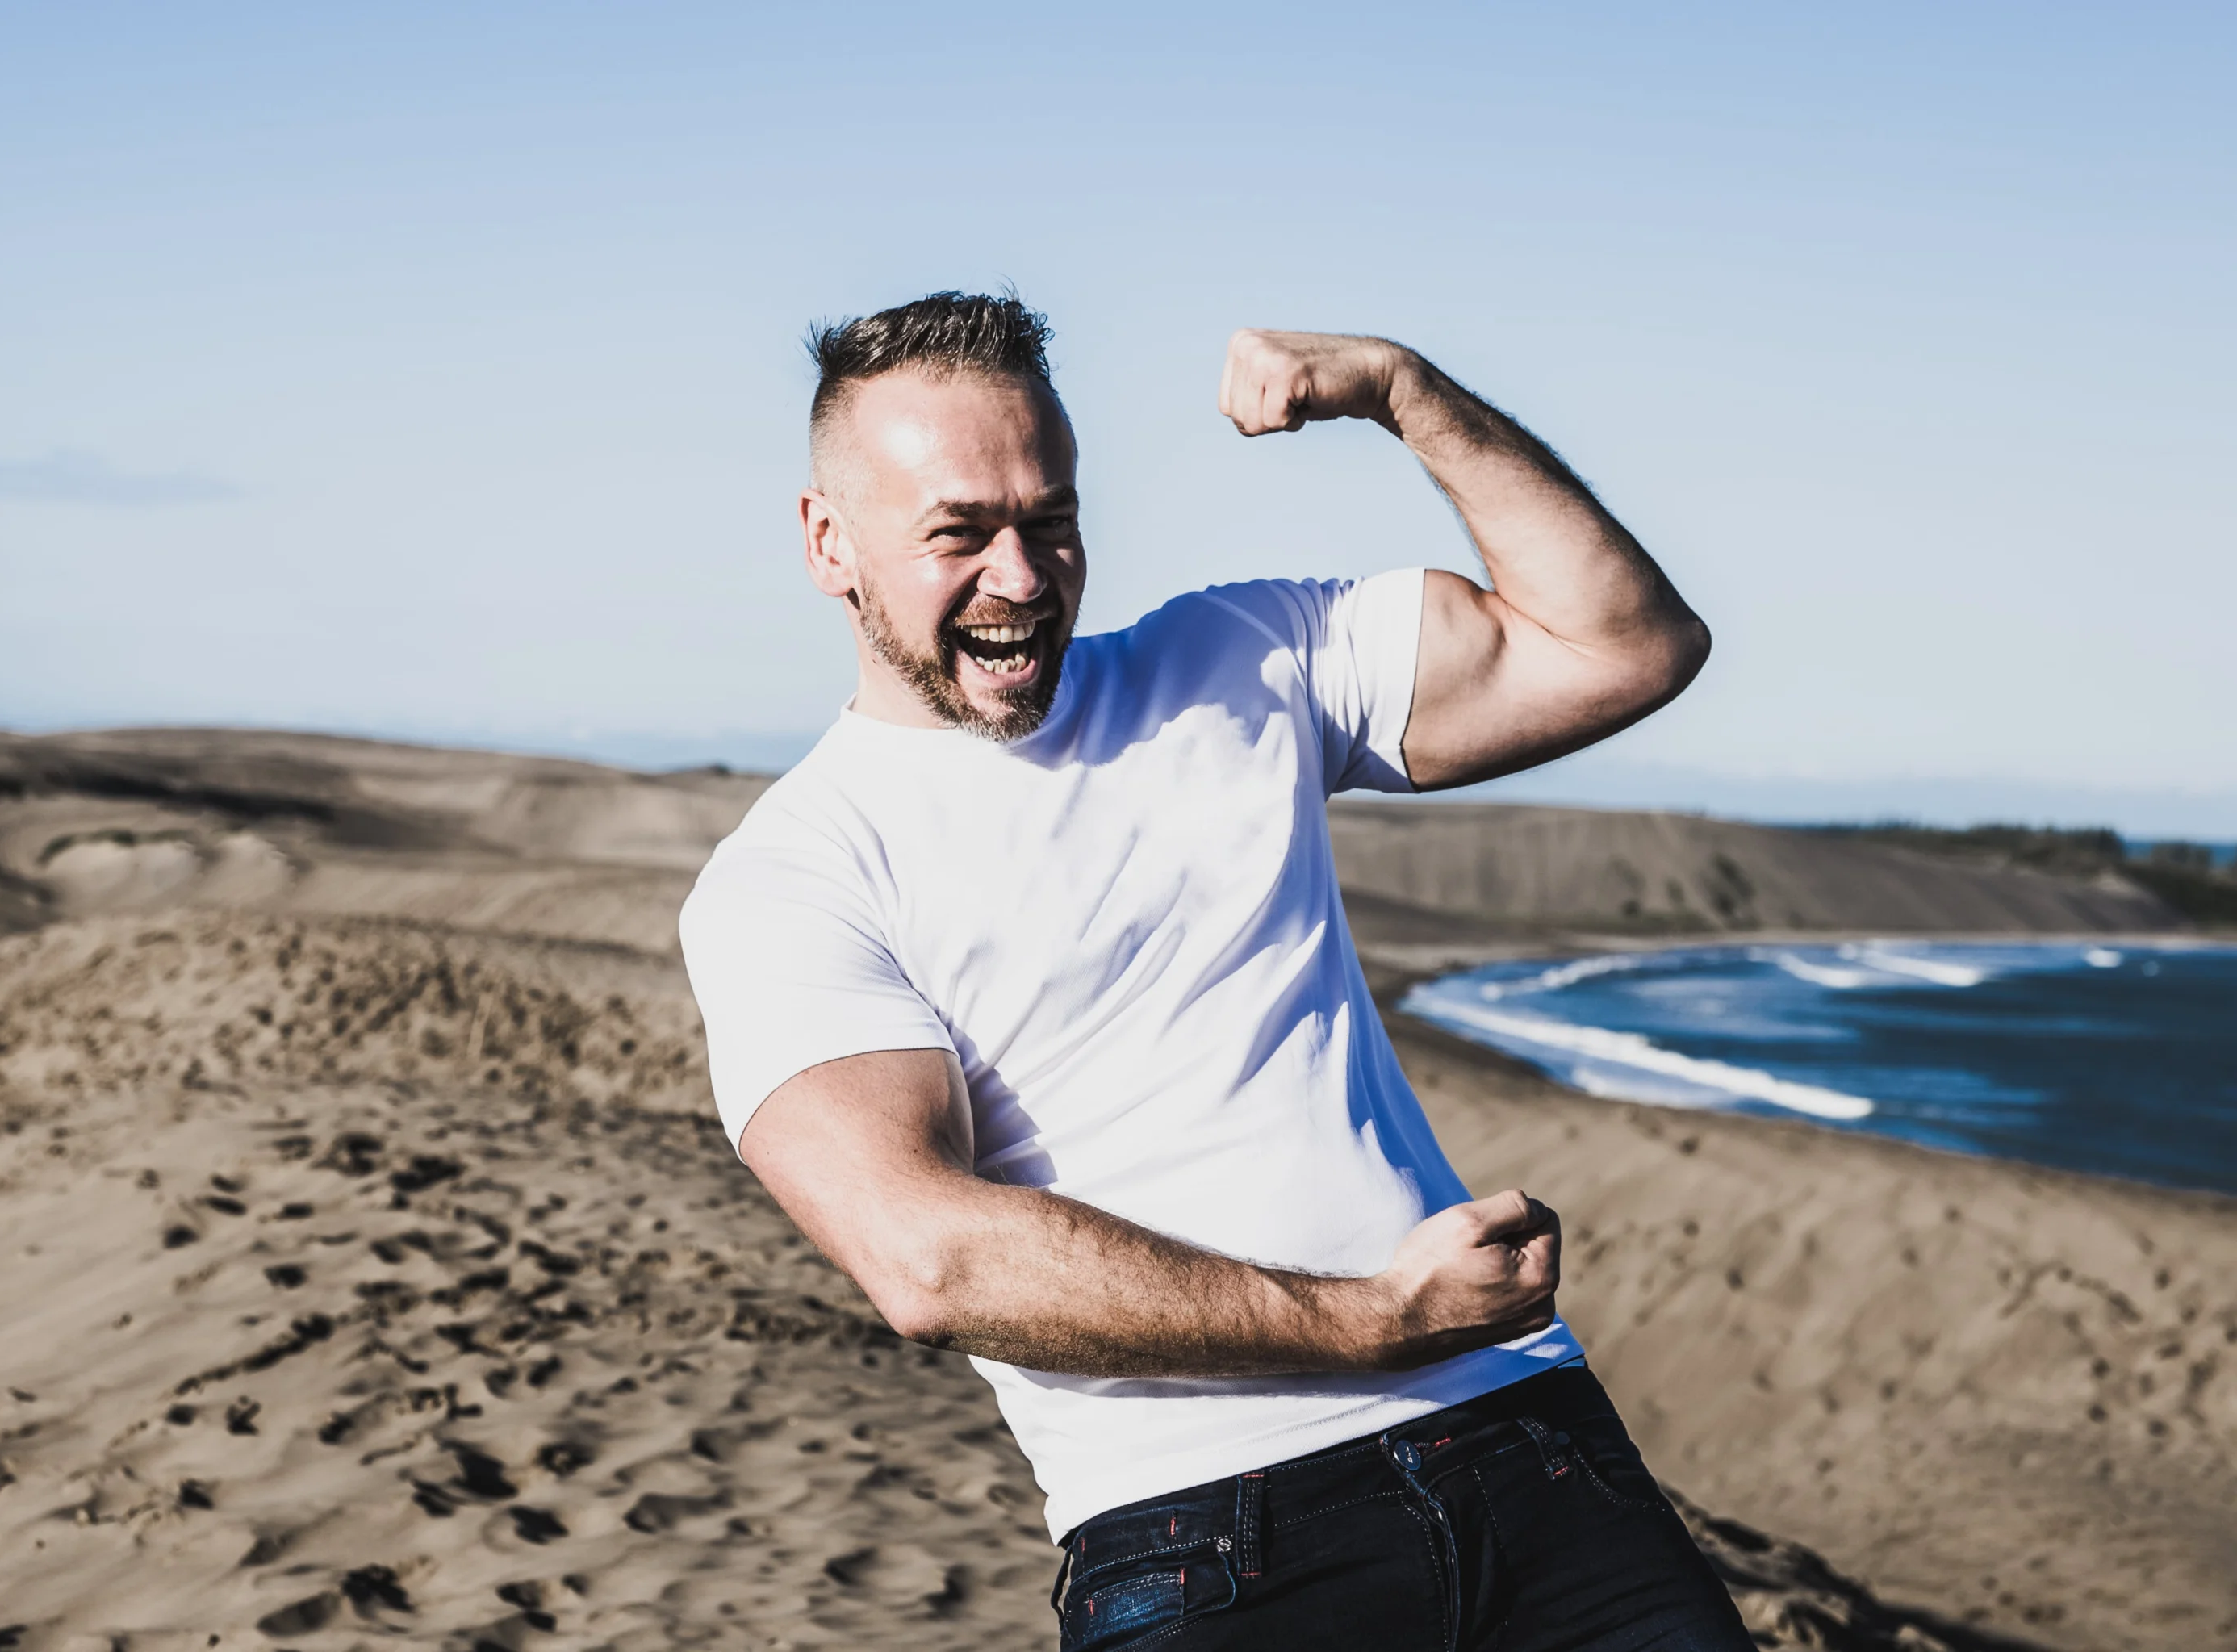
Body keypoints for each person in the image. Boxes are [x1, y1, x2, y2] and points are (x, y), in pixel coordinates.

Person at [677, 292, 1751, 1650]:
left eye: (1052, 519)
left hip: (1528, 1445)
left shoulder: (1242, 659)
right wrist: (1371, 1321)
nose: (1023, 575)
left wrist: (1404, 391)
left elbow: (1625, 645)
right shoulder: (795, 875)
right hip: (1201, 1542)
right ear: (829, 540)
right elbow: (925, 1257)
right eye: (960, 531)